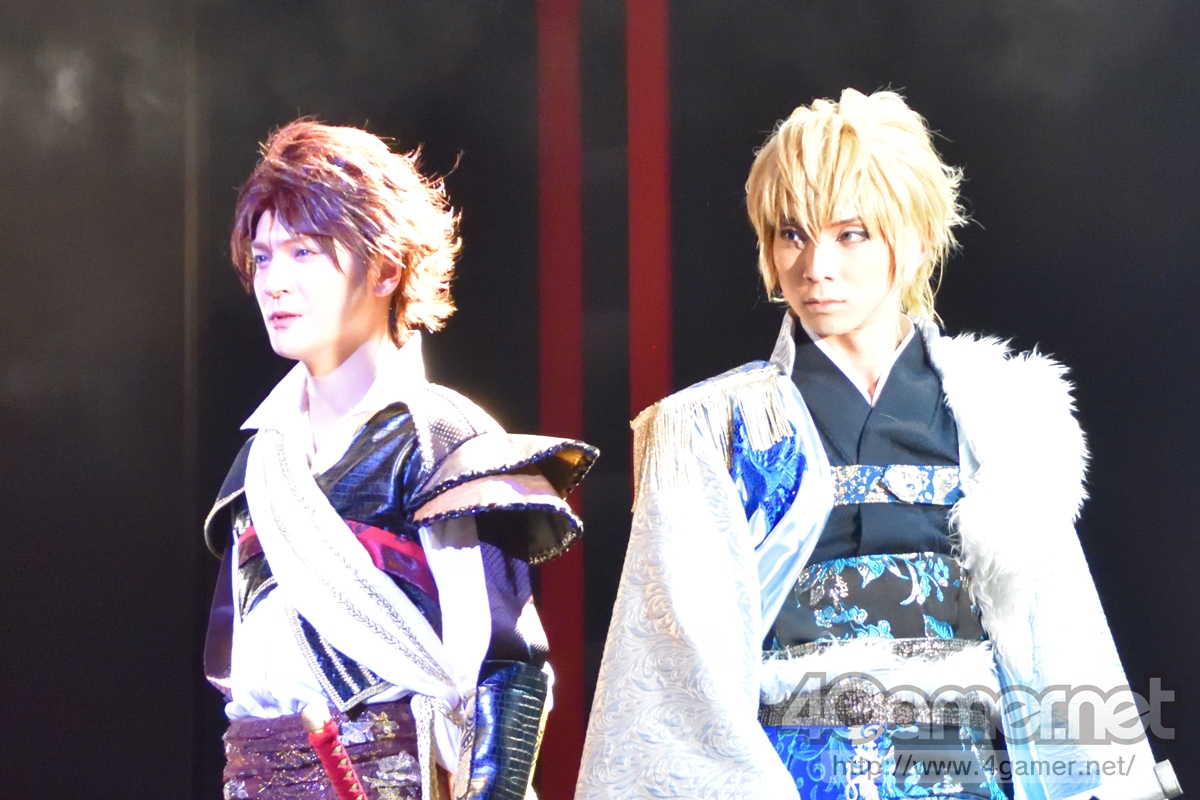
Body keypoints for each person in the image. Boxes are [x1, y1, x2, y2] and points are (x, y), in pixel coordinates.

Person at [575, 90, 1179, 800]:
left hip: (965, 771)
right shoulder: (713, 426)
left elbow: (1059, 639)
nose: (815, 266)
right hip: (792, 774)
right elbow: (675, 659)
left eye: (851, 234)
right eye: (792, 234)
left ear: (916, 240)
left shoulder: (999, 416)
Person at [202, 120, 597, 800]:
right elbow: (240, 674)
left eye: (303, 252)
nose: (274, 282)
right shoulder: (258, 463)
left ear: (386, 268)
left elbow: (505, 666)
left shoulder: (444, 439)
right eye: (263, 258)